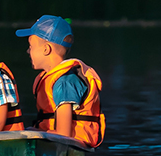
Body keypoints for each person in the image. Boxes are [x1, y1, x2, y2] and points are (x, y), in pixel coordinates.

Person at [17, 16, 105, 148]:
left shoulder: (64, 82)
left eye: (31, 46)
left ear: (46, 49)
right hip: (55, 144)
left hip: (71, 147)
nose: (28, 51)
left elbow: (63, 134)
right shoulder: (55, 78)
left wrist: (34, 133)